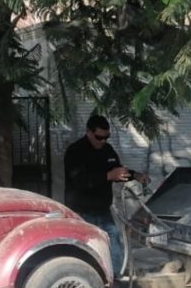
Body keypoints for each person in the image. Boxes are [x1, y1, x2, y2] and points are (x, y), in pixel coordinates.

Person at [63, 114, 149, 276]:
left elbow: (118, 171)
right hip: (81, 211)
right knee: (86, 247)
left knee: (113, 241)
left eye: (106, 137)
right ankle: (87, 278)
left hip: (102, 210)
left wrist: (135, 175)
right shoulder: (75, 151)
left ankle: (115, 277)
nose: (102, 141)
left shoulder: (107, 150)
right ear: (88, 132)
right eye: (99, 137)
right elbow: (80, 180)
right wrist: (108, 176)